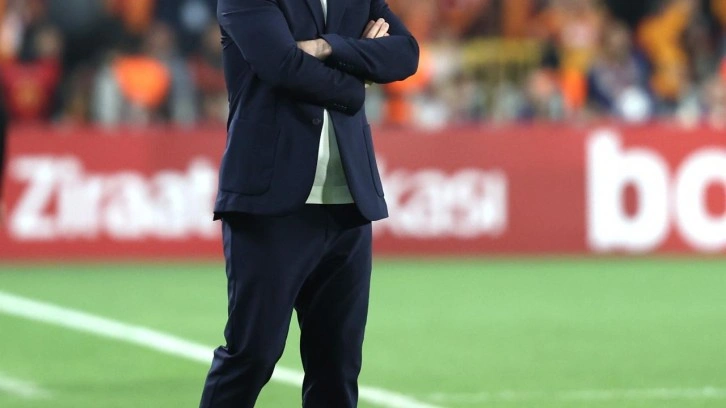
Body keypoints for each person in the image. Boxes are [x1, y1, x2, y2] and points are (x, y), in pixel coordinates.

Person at [199, 0, 419, 407]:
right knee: (253, 355)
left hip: (348, 202)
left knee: (337, 367)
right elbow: (281, 65)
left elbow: (406, 54)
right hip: (270, 202)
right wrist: (357, 78)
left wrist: (328, 47)